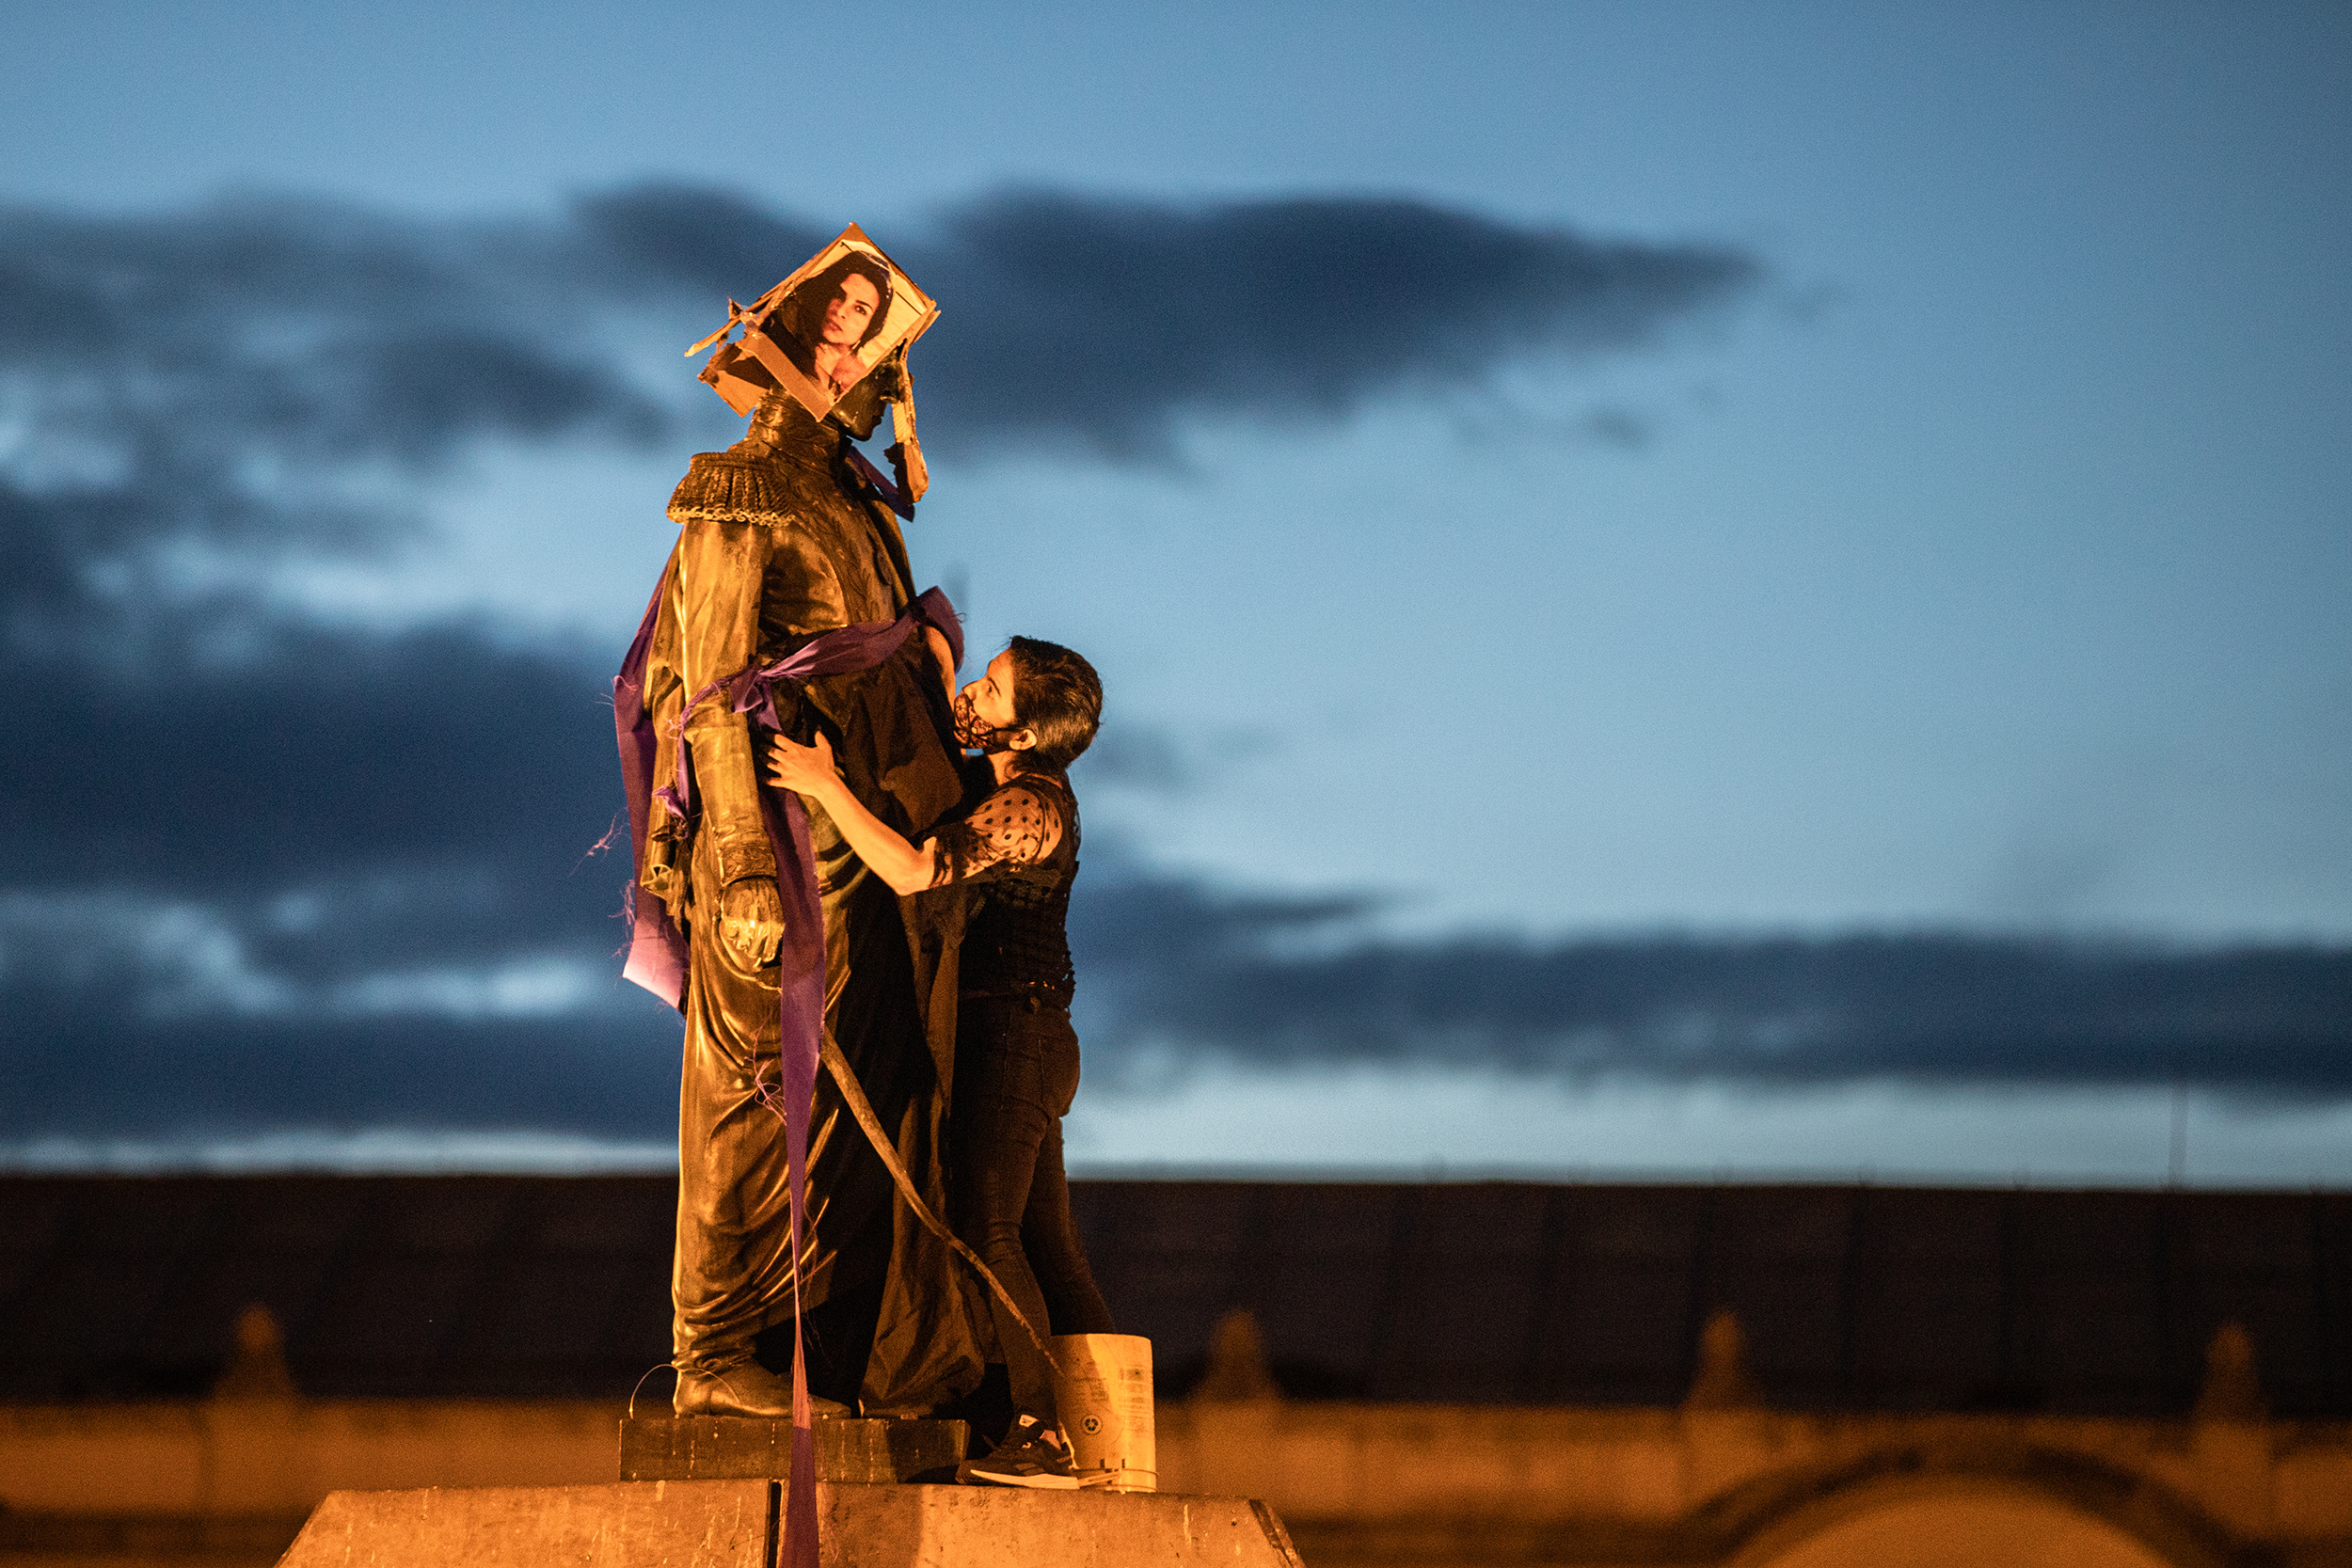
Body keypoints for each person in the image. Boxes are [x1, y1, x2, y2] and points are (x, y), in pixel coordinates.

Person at [625, 366, 983, 1421]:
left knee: (840, 1100)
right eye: (836, 321)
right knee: (749, 1083)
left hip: (854, 825)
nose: (856, 359)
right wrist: (736, 857)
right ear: (783, 332)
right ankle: (711, 1351)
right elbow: (713, 682)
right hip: (777, 821)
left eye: (876, 336)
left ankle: (806, 1348)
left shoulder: (857, 503)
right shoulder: (741, 485)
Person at [766, 637, 1116, 1487]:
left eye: (990, 689)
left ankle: (1044, 1432)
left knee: (989, 1226)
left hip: (1016, 1039)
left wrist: (824, 785)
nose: (971, 693)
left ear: (1026, 734)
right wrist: (923, 654)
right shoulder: (1010, 783)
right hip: (1031, 1036)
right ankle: (1112, 1438)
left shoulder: (1032, 810)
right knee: (1049, 1243)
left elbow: (916, 867)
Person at [775, 251, 895, 401]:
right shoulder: (790, 326)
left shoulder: (862, 383)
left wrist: (823, 379)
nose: (840, 311)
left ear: (872, 326)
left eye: (860, 309)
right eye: (839, 294)